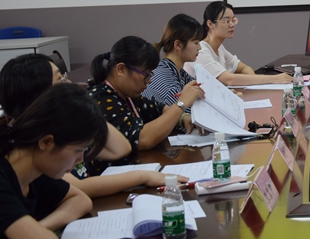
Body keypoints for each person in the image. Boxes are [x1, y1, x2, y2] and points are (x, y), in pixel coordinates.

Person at [0, 54, 186, 199]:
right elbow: (76, 187)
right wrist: (142, 176)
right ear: (40, 95)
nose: (68, 83)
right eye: (60, 79)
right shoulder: (36, 142)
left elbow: (120, 148)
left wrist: (84, 106)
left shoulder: (63, 126)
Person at [0, 84, 107, 239]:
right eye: (78, 150)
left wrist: (39, 229)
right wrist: (36, 238)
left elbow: (81, 200)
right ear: (46, 142)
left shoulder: (35, 169)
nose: (80, 159)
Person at [87, 36, 205, 175]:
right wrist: (182, 103)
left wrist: (182, 118)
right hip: (107, 178)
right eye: (146, 75)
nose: (149, 81)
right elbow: (142, 139)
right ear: (121, 69)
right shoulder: (101, 99)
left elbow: (159, 108)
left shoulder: (127, 95)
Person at [192, 1, 291, 86]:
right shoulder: (201, 51)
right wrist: (274, 79)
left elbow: (245, 68)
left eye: (233, 20)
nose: (232, 25)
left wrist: (254, 82)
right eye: (226, 21)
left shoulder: (219, 48)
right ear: (210, 24)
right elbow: (229, 79)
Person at [143, 14, 204, 105]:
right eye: (196, 43)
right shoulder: (166, 81)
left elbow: (202, 89)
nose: (200, 47)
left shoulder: (179, 73)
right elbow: (184, 110)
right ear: (178, 45)